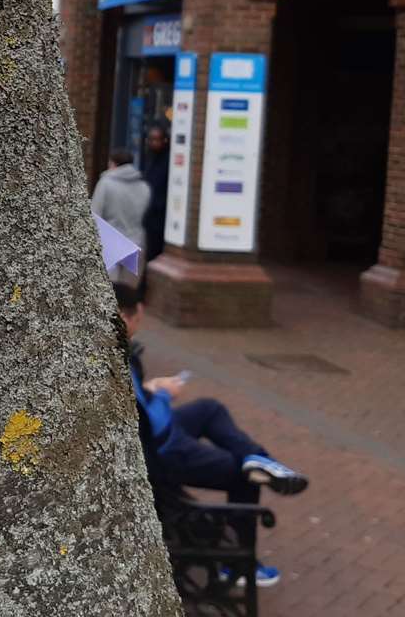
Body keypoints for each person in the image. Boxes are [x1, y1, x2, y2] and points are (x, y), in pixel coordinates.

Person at [115, 282, 308, 586]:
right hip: (162, 452)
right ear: (126, 316)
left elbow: (135, 405)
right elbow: (152, 422)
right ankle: (236, 567)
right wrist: (164, 395)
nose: (141, 322)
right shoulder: (118, 355)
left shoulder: (112, 352)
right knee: (243, 477)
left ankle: (257, 457)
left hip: (150, 439)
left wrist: (151, 389)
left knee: (208, 408)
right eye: (139, 315)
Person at [92, 148, 151, 277]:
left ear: (113, 164)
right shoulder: (144, 187)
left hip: (111, 245)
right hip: (136, 244)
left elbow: (94, 215)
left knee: (109, 290)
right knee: (127, 293)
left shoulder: (105, 184)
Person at [141, 126, 170, 262]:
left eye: (157, 140)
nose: (154, 143)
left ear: (165, 140)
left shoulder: (167, 161)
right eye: (151, 140)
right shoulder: (149, 158)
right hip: (149, 214)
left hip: (160, 215)